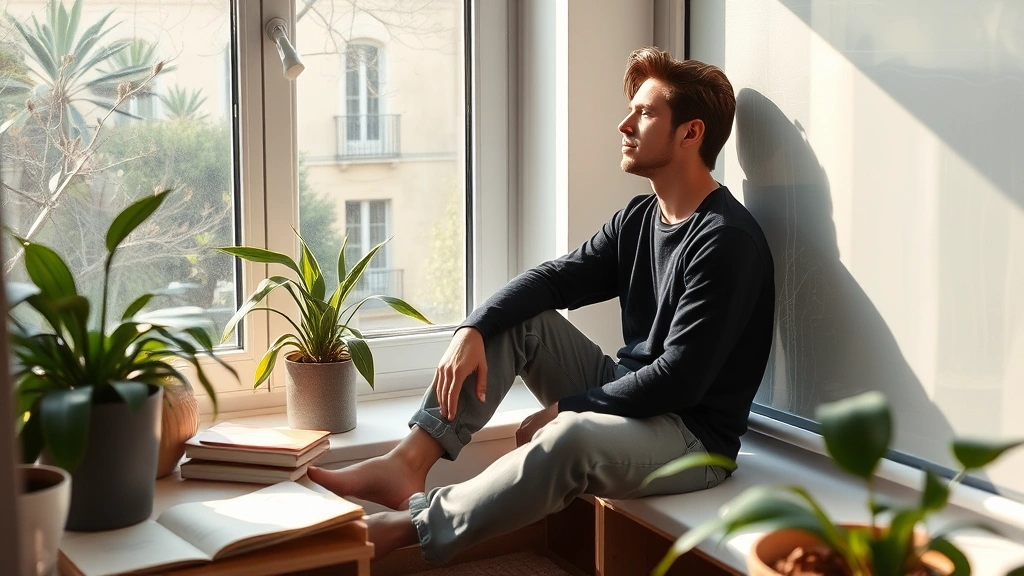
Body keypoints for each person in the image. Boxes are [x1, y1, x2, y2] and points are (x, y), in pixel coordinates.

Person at [307, 46, 775, 564]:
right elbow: (552, 281)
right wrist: (474, 328)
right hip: (635, 403)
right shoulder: (640, 219)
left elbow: (680, 379)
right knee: (522, 321)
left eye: (644, 113)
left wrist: (570, 407)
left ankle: (410, 526)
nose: (624, 124)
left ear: (690, 133)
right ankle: (409, 460)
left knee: (572, 435)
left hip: (693, 439)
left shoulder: (726, 240)